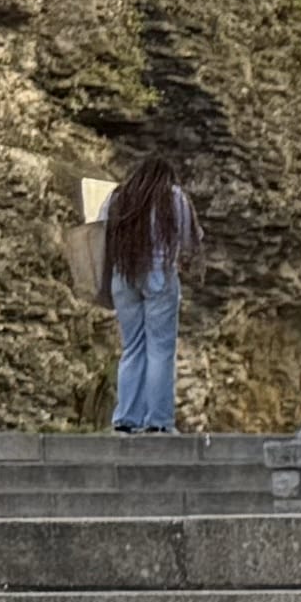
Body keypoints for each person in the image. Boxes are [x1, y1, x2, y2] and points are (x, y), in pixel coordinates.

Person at [92, 143, 200, 435]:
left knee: (132, 348)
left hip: (122, 275)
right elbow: (190, 238)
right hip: (159, 276)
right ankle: (159, 421)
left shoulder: (117, 197)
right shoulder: (173, 197)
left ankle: (126, 418)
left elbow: (99, 233)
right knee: (160, 349)